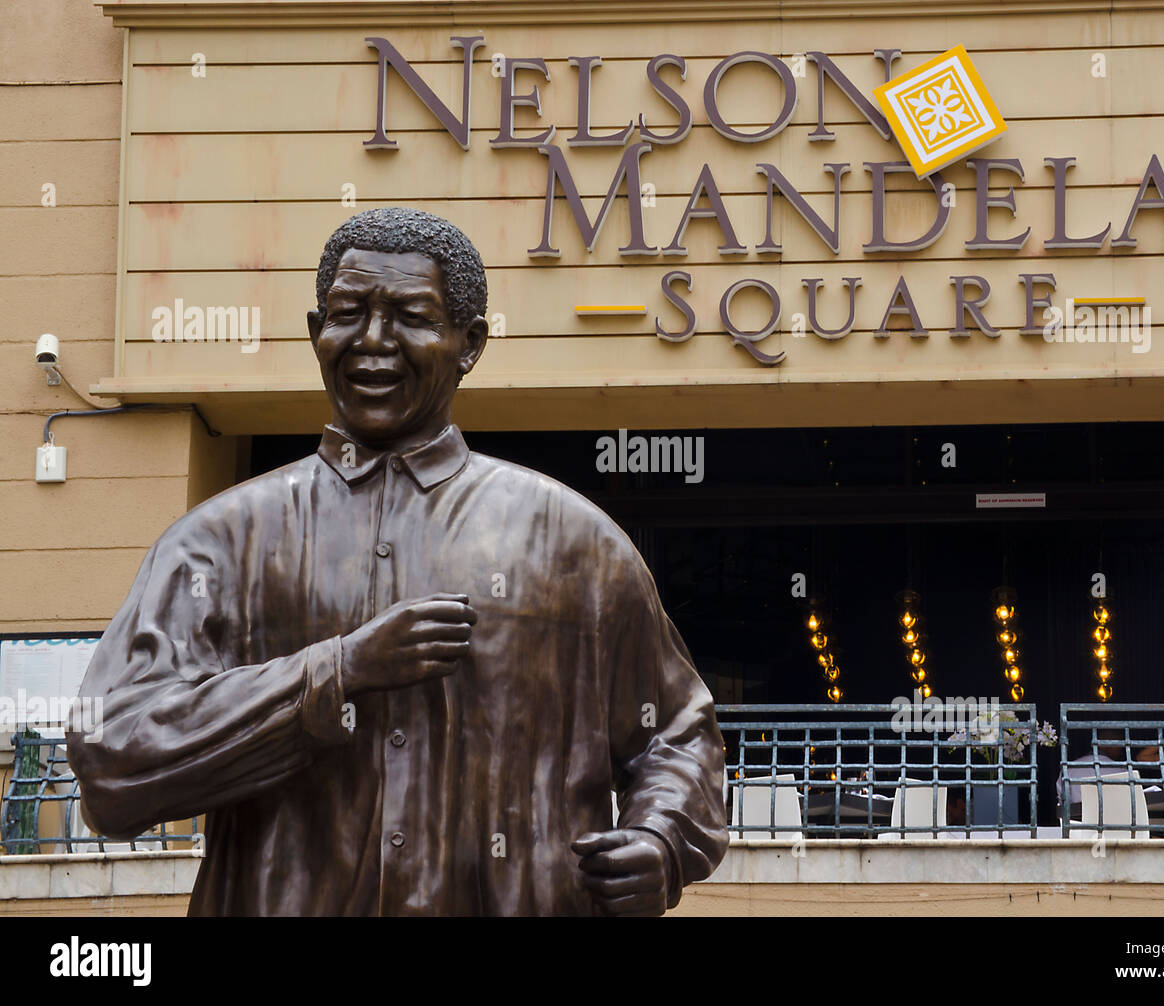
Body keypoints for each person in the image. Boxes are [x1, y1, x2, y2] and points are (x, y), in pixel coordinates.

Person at [65, 207, 729, 916]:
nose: (373, 342)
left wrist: (661, 840)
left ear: (469, 344)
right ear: (316, 332)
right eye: (348, 314)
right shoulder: (220, 542)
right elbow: (112, 761)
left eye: (409, 316)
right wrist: (335, 673)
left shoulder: (577, 544)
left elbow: (678, 736)